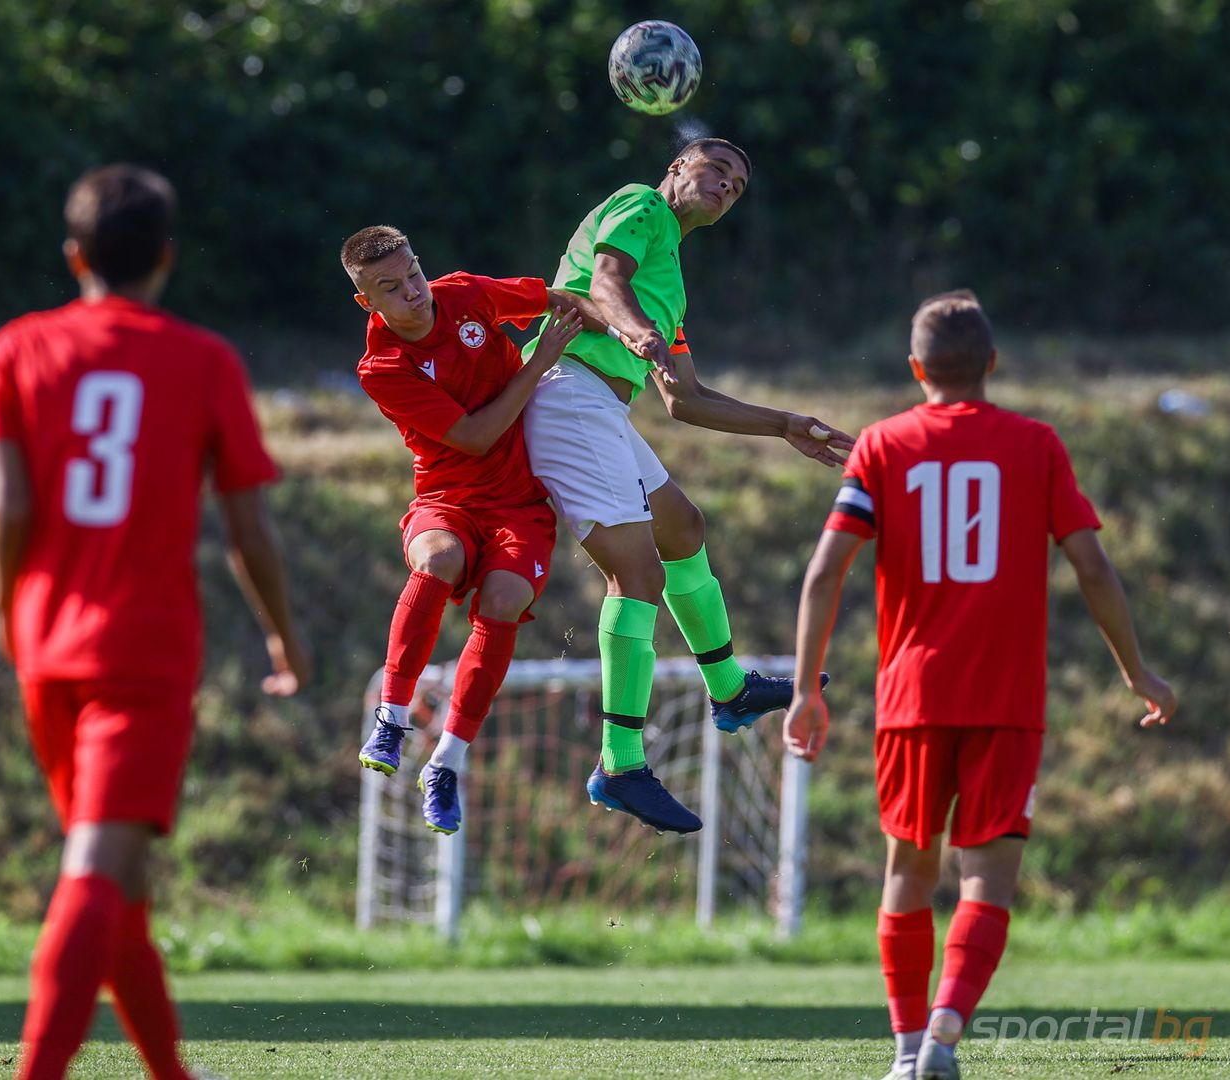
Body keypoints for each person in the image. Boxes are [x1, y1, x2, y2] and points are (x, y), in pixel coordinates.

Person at [0, 163, 311, 1080]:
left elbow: (4, 508)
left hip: (44, 644)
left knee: (123, 888)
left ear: (75, 257)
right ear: (167, 258)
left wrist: (6, 610)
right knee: (93, 874)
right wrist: (282, 633)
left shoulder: (14, 348)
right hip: (141, 653)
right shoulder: (200, 360)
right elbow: (248, 528)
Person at [781, 290, 1177, 1080]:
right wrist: (1136, 672)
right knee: (986, 874)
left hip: (910, 699)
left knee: (907, 870)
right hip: (1005, 701)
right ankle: (945, 1036)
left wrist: (804, 688)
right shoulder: (1035, 445)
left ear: (915, 369)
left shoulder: (883, 446)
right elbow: (1091, 564)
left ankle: (901, 1053)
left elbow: (825, 571)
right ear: (991, 364)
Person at [520, 137, 850, 834]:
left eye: (738, 185)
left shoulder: (671, 277)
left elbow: (686, 399)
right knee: (635, 573)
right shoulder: (639, 205)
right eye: (716, 170)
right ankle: (620, 765)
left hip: (599, 405)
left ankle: (729, 691)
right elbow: (604, 283)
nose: (728, 186)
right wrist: (635, 331)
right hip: (564, 392)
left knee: (681, 528)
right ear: (675, 169)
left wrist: (786, 423)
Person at [343, 224, 618, 834]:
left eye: (413, 272)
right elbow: (475, 436)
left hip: (521, 503)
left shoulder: (466, 294)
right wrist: (541, 359)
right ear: (368, 303)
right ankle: (392, 716)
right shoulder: (382, 367)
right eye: (391, 287)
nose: (413, 292)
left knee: (505, 599)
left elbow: (554, 299)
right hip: (447, 498)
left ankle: (445, 763)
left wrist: (625, 329)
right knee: (436, 560)